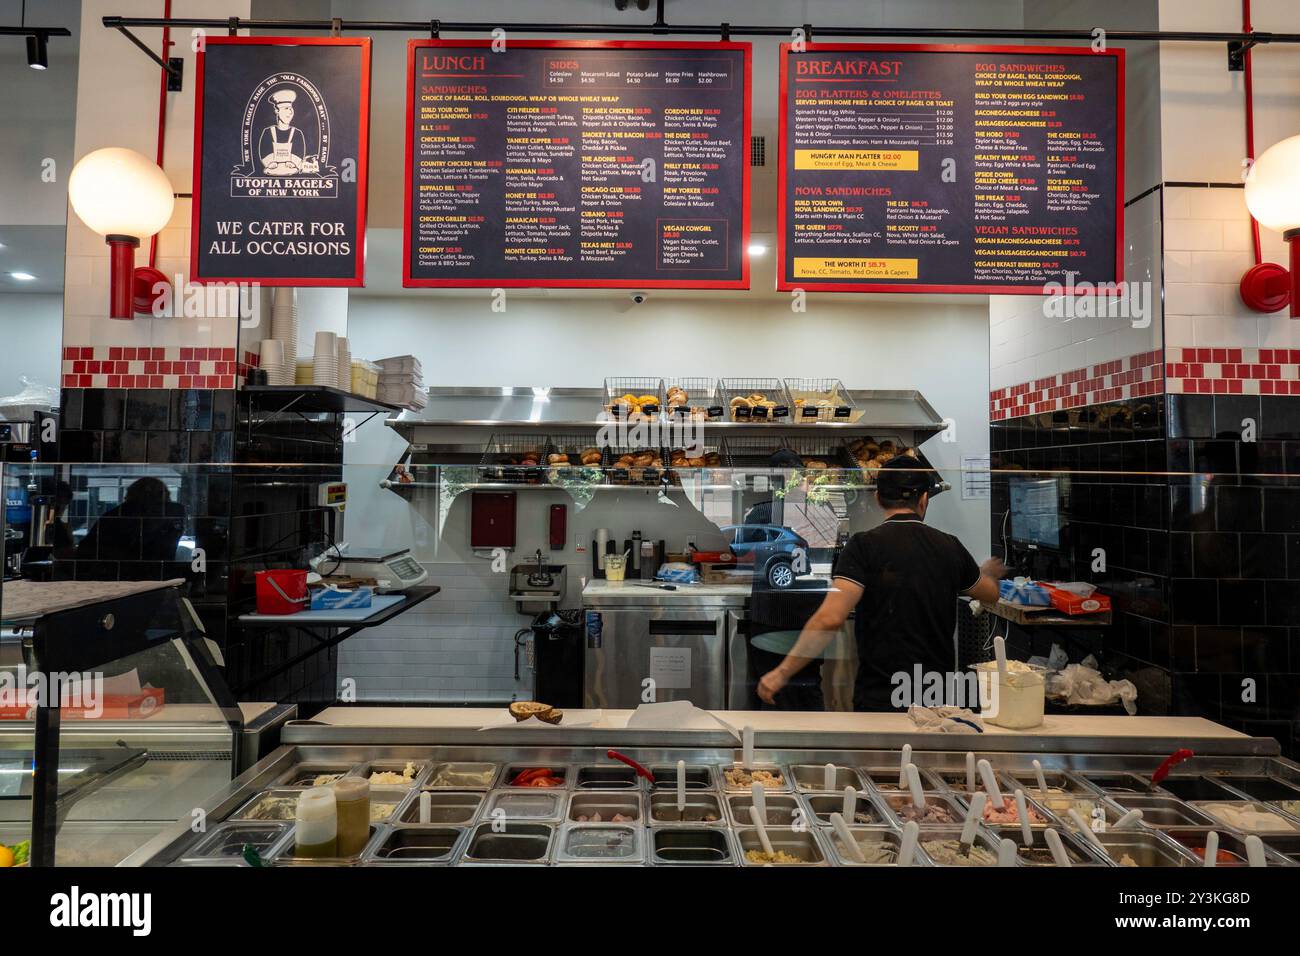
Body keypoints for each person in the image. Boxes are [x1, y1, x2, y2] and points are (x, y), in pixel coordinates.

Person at [757, 456, 1003, 711]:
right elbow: (990, 593)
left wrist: (782, 672)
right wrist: (987, 573)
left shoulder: (864, 546)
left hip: (880, 694)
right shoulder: (949, 546)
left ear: (877, 498)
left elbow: (830, 618)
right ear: (924, 499)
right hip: (935, 693)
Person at [259, 89, 308, 175]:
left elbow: (300, 154)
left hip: (291, 170)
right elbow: (264, 153)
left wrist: (292, 162)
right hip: (272, 170)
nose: (290, 112)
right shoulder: (268, 132)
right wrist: (271, 163)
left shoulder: (297, 133)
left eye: (291, 108)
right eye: (286, 108)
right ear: (277, 111)